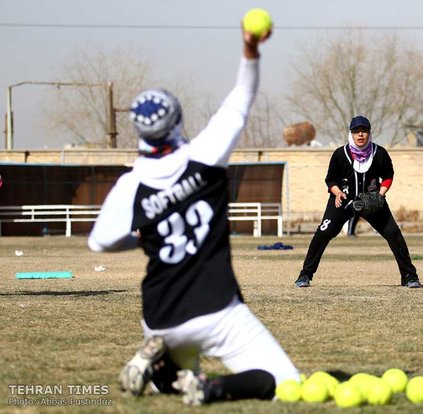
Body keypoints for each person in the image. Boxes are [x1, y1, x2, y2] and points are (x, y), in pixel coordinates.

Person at [88, 26, 301, 406]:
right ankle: (213, 388)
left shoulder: (130, 185)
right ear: (177, 122)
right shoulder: (204, 155)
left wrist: (138, 238)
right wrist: (250, 49)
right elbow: (243, 96)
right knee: (287, 384)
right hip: (216, 308)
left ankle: (159, 368)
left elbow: (99, 241)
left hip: (160, 316)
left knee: (169, 383)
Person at [294, 116, 422, 288]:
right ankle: (305, 275)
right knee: (323, 233)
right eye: (356, 131)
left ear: (369, 132)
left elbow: (388, 177)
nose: (360, 134)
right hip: (343, 200)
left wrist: (381, 195)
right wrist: (337, 192)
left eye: (364, 130)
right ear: (351, 133)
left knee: (393, 234)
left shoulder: (380, 153)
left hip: (371, 201)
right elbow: (330, 180)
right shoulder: (340, 154)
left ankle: (409, 276)